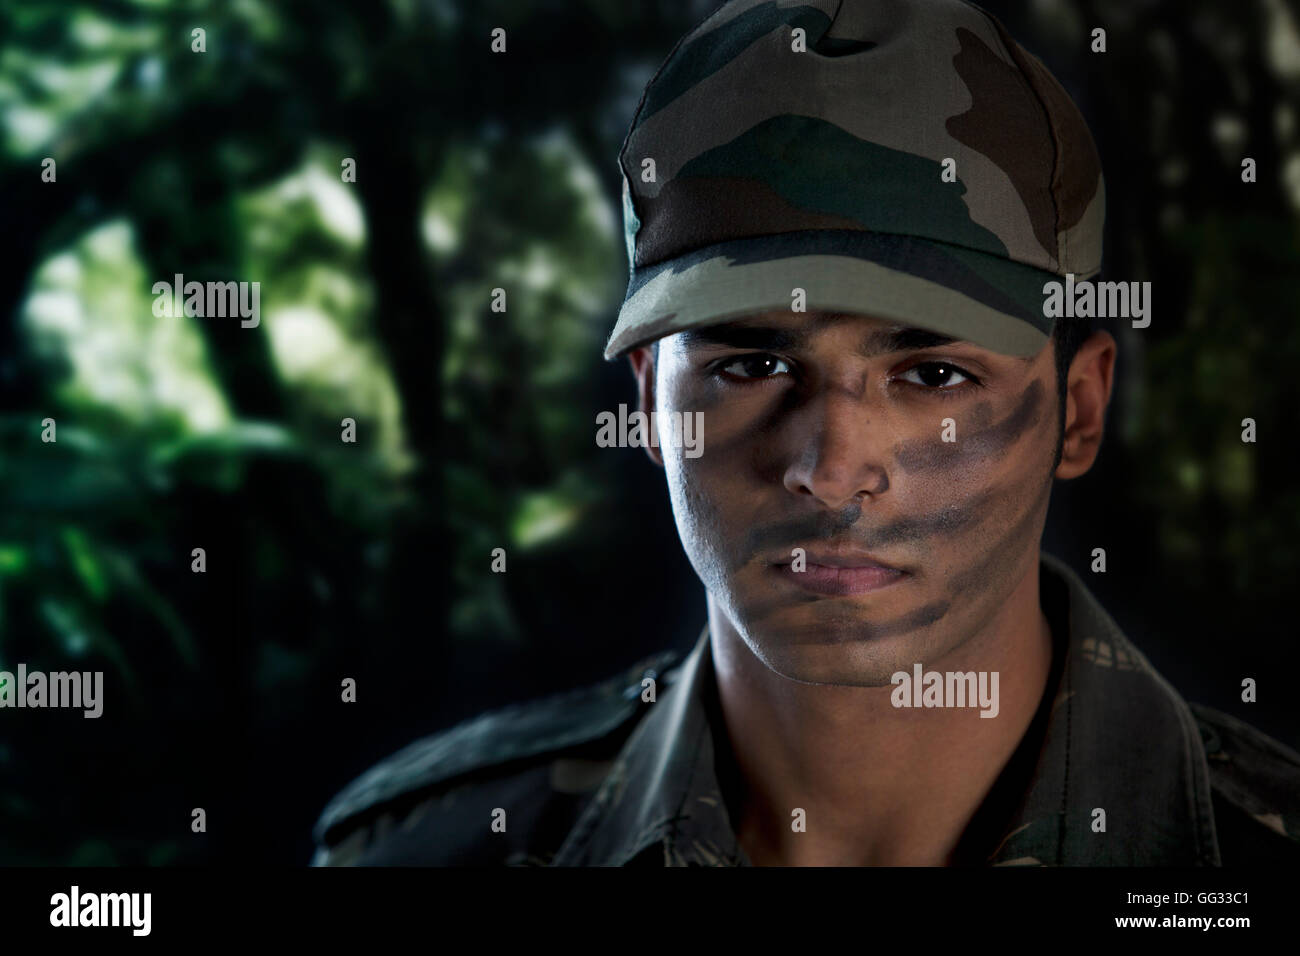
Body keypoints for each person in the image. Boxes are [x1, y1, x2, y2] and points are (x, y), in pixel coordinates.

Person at [312, 0, 1300, 866]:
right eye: (750, 365)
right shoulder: (429, 845)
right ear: (651, 397)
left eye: (933, 375)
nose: (829, 469)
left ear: (1078, 411)